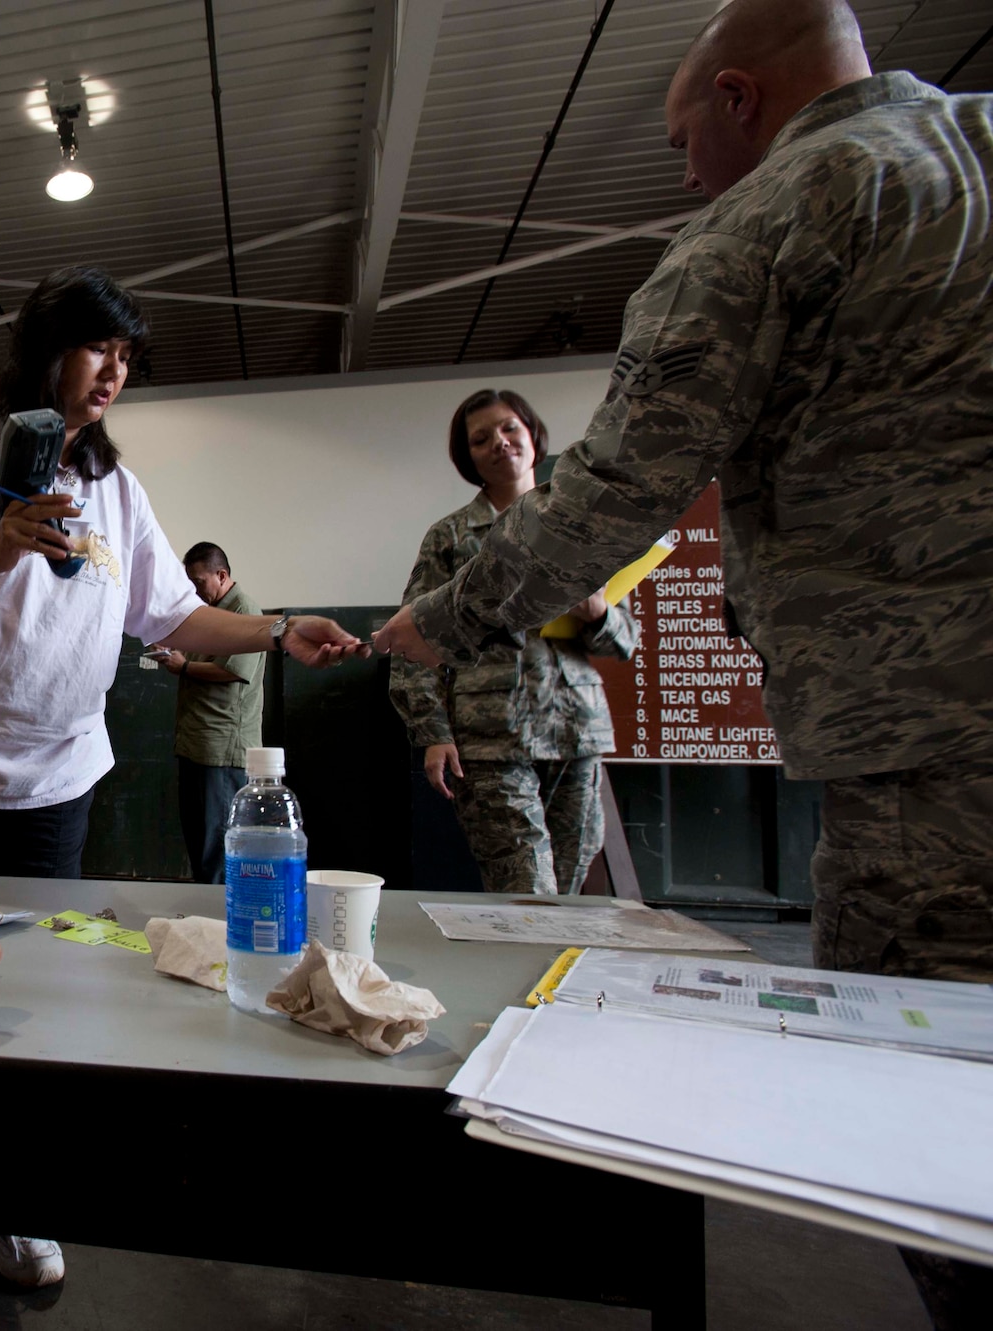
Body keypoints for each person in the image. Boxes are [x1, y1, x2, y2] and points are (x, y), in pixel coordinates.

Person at [369, 5, 992, 1320]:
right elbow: (457, 620)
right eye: (476, 437)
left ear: (739, 98)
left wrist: (523, 619)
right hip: (496, 733)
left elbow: (610, 545)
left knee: (944, 1124)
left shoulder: (773, 218)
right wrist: (436, 673)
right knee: (524, 907)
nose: (688, 174)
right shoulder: (978, 150)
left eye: (684, 138)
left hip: (910, 755)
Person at [0, 265, 367, 1298]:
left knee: (28, 987)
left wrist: (279, 629)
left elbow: (170, 616)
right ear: (43, 345)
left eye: (125, 358)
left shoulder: (116, 485)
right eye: (97, 347)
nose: (112, 371)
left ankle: (6, 1192)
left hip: (53, 774)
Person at [387, 389, 638, 896]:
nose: (499, 443)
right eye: (481, 439)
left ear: (532, 435)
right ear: (469, 457)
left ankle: (552, 977)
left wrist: (596, 612)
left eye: (508, 429)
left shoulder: (580, 529)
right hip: (488, 739)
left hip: (575, 730)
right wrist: (432, 733)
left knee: (567, 891)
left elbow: (624, 642)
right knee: (526, 889)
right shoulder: (452, 537)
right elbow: (414, 643)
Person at [159, 542, 267, 884]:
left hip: (222, 750)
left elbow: (233, 671)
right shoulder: (207, 612)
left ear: (221, 575)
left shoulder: (244, 610)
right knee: (201, 844)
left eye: (198, 581)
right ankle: (206, 919)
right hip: (197, 744)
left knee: (218, 849)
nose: (193, 589)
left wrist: (183, 666)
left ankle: (219, 925)